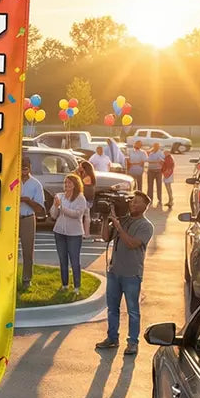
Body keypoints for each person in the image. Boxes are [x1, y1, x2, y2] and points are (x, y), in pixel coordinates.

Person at [96, 190, 155, 356]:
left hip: (131, 274)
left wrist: (118, 226)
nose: (133, 204)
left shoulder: (146, 226)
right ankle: (112, 338)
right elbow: (105, 237)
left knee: (133, 311)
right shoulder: (124, 219)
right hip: (114, 271)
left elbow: (131, 243)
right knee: (112, 308)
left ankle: (132, 343)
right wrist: (106, 219)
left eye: (137, 202)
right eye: (132, 201)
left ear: (145, 206)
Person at [48, 172, 88, 294]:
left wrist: (61, 208)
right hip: (59, 232)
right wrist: (55, 206)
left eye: (69, 182)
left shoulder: (80, 198)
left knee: (74, 260)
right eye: (65, 182)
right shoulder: (60, 196)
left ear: (75, 184)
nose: (66, 185)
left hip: (74, 234)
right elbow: (53, 215)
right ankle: (64, 284)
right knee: (62, 259)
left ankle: (77, 286)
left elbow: (77, 214)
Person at [18, 156, 45, 293]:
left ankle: (26, 280)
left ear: (30, 167)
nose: (24, 168)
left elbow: (40, 209)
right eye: (22, 165)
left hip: (28, 218)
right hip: (13, 218)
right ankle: (7, 278)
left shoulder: (36, 184)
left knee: (28, 251)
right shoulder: (14, 182)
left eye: (26, 166)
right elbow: (6, 199)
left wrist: (27, 200)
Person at [146, 142, 165, 207]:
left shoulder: (161, 153)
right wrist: (156, 161)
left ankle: (159, 199)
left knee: (159, 186)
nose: (155, 147)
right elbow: (148, 160)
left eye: (157, 146)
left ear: (158, 147)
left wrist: (155, 162)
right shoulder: (151, 153)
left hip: (158, 171)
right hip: (150, 170)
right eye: (154, 146)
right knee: (150, 186)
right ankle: (149, 199)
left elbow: (162, 161)